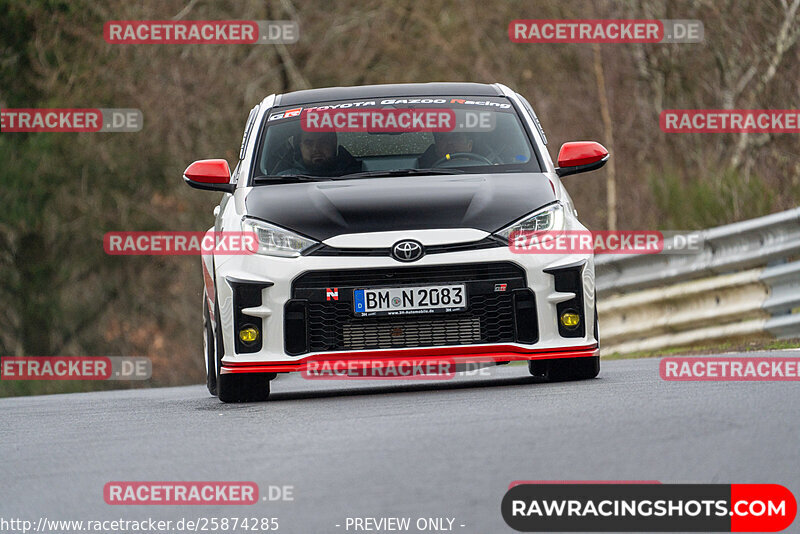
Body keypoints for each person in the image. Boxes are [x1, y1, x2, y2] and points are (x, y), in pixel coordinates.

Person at [281, 130, 361, 176]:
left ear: (334, 143)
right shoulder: (282, 181)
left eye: (323, 142)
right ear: (300, 147)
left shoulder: (362, 174)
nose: (316, 148)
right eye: (309, 143)